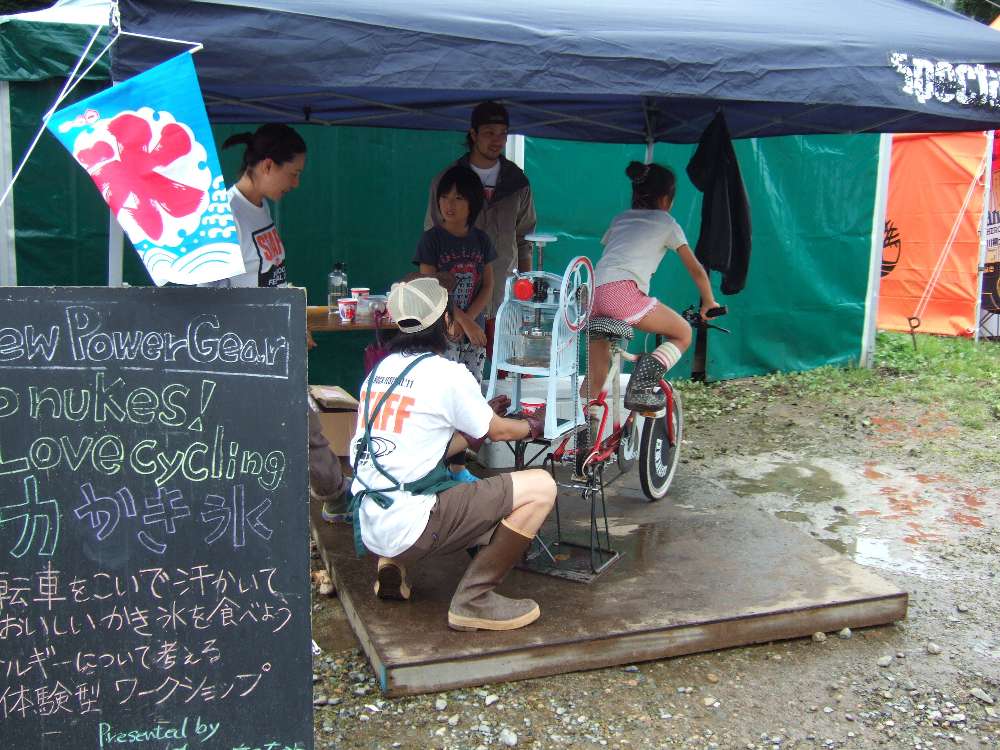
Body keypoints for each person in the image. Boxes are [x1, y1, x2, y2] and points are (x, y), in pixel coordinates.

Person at [349, 276, 557, 632]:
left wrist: (479, 417)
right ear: (447, 322)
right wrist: (535, 425)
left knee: (423, 478)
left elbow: (429, 444)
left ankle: (392, 563)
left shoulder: (381, 371)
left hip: (371, 522)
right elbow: (500, 431)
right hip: (413, 523)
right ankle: (474, 600)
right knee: (540, 487)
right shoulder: (448, 373)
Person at [201, 124, 348, 517]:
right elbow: (212, 302)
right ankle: (320, 500)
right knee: (296, 431)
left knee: (304, 429)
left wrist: (290, 318)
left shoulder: (259, 208)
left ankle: (330, 496)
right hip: (246, 355)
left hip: (273, 345)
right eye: (293, 172)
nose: (296, 183)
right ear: (267, 165)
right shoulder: (224, 217)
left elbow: (269, 277)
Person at [585, 161, 721, 412]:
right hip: (621, 294)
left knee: (595, 380)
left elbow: (613, 253)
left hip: (592, 294)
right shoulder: (667, 222)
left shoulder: (621, 218)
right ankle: (642, 386)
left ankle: (583, 437)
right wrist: (709, 301)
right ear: (667, 199)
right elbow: (696, 269)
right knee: (682, 333)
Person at [414, 165, 496, 482]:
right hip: (440, 331)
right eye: (445, 197)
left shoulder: (481, 240)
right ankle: (434, 466)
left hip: (470, 333)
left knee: (469, 396)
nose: (449, 204)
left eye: (459, 198)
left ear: (473, 204)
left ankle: (458, 467)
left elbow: (488, 284)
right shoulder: (431, 240)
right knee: (439, 399)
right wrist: (459, 319)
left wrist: (472, 319)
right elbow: (428, 285)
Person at [424, 101, 536, 329]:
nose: (497, 140)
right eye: (489, 133)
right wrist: (445, 306)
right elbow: (432, 236)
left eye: (503, 134)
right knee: (456, 366)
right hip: (458, 301)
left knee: (506, 364)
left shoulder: (518, 182)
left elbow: (525, 241)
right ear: (473, 134)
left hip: (505, 299)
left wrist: (527, 295)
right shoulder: (448, 180)